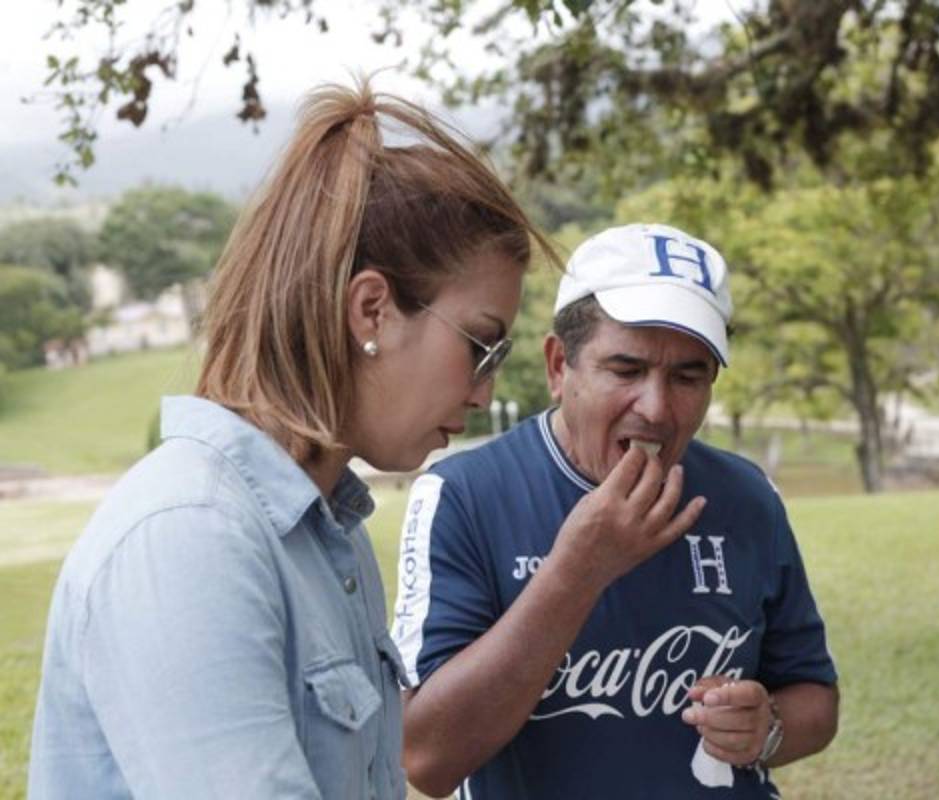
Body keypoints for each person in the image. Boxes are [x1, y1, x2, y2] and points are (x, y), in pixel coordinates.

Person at [28, 77, 552, 799]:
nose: (486, 388)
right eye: (481, 346)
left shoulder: (326, 534)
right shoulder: (192, 536)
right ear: (372, 310)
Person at [393, 223, 838, 799]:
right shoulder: (465, 495)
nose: (655, 408)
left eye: (688, 375)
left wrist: (767, 726)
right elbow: (426, 759)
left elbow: (816, 700)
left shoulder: (747, 497)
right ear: (559, 366)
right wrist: (580, 568)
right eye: (625, 370)